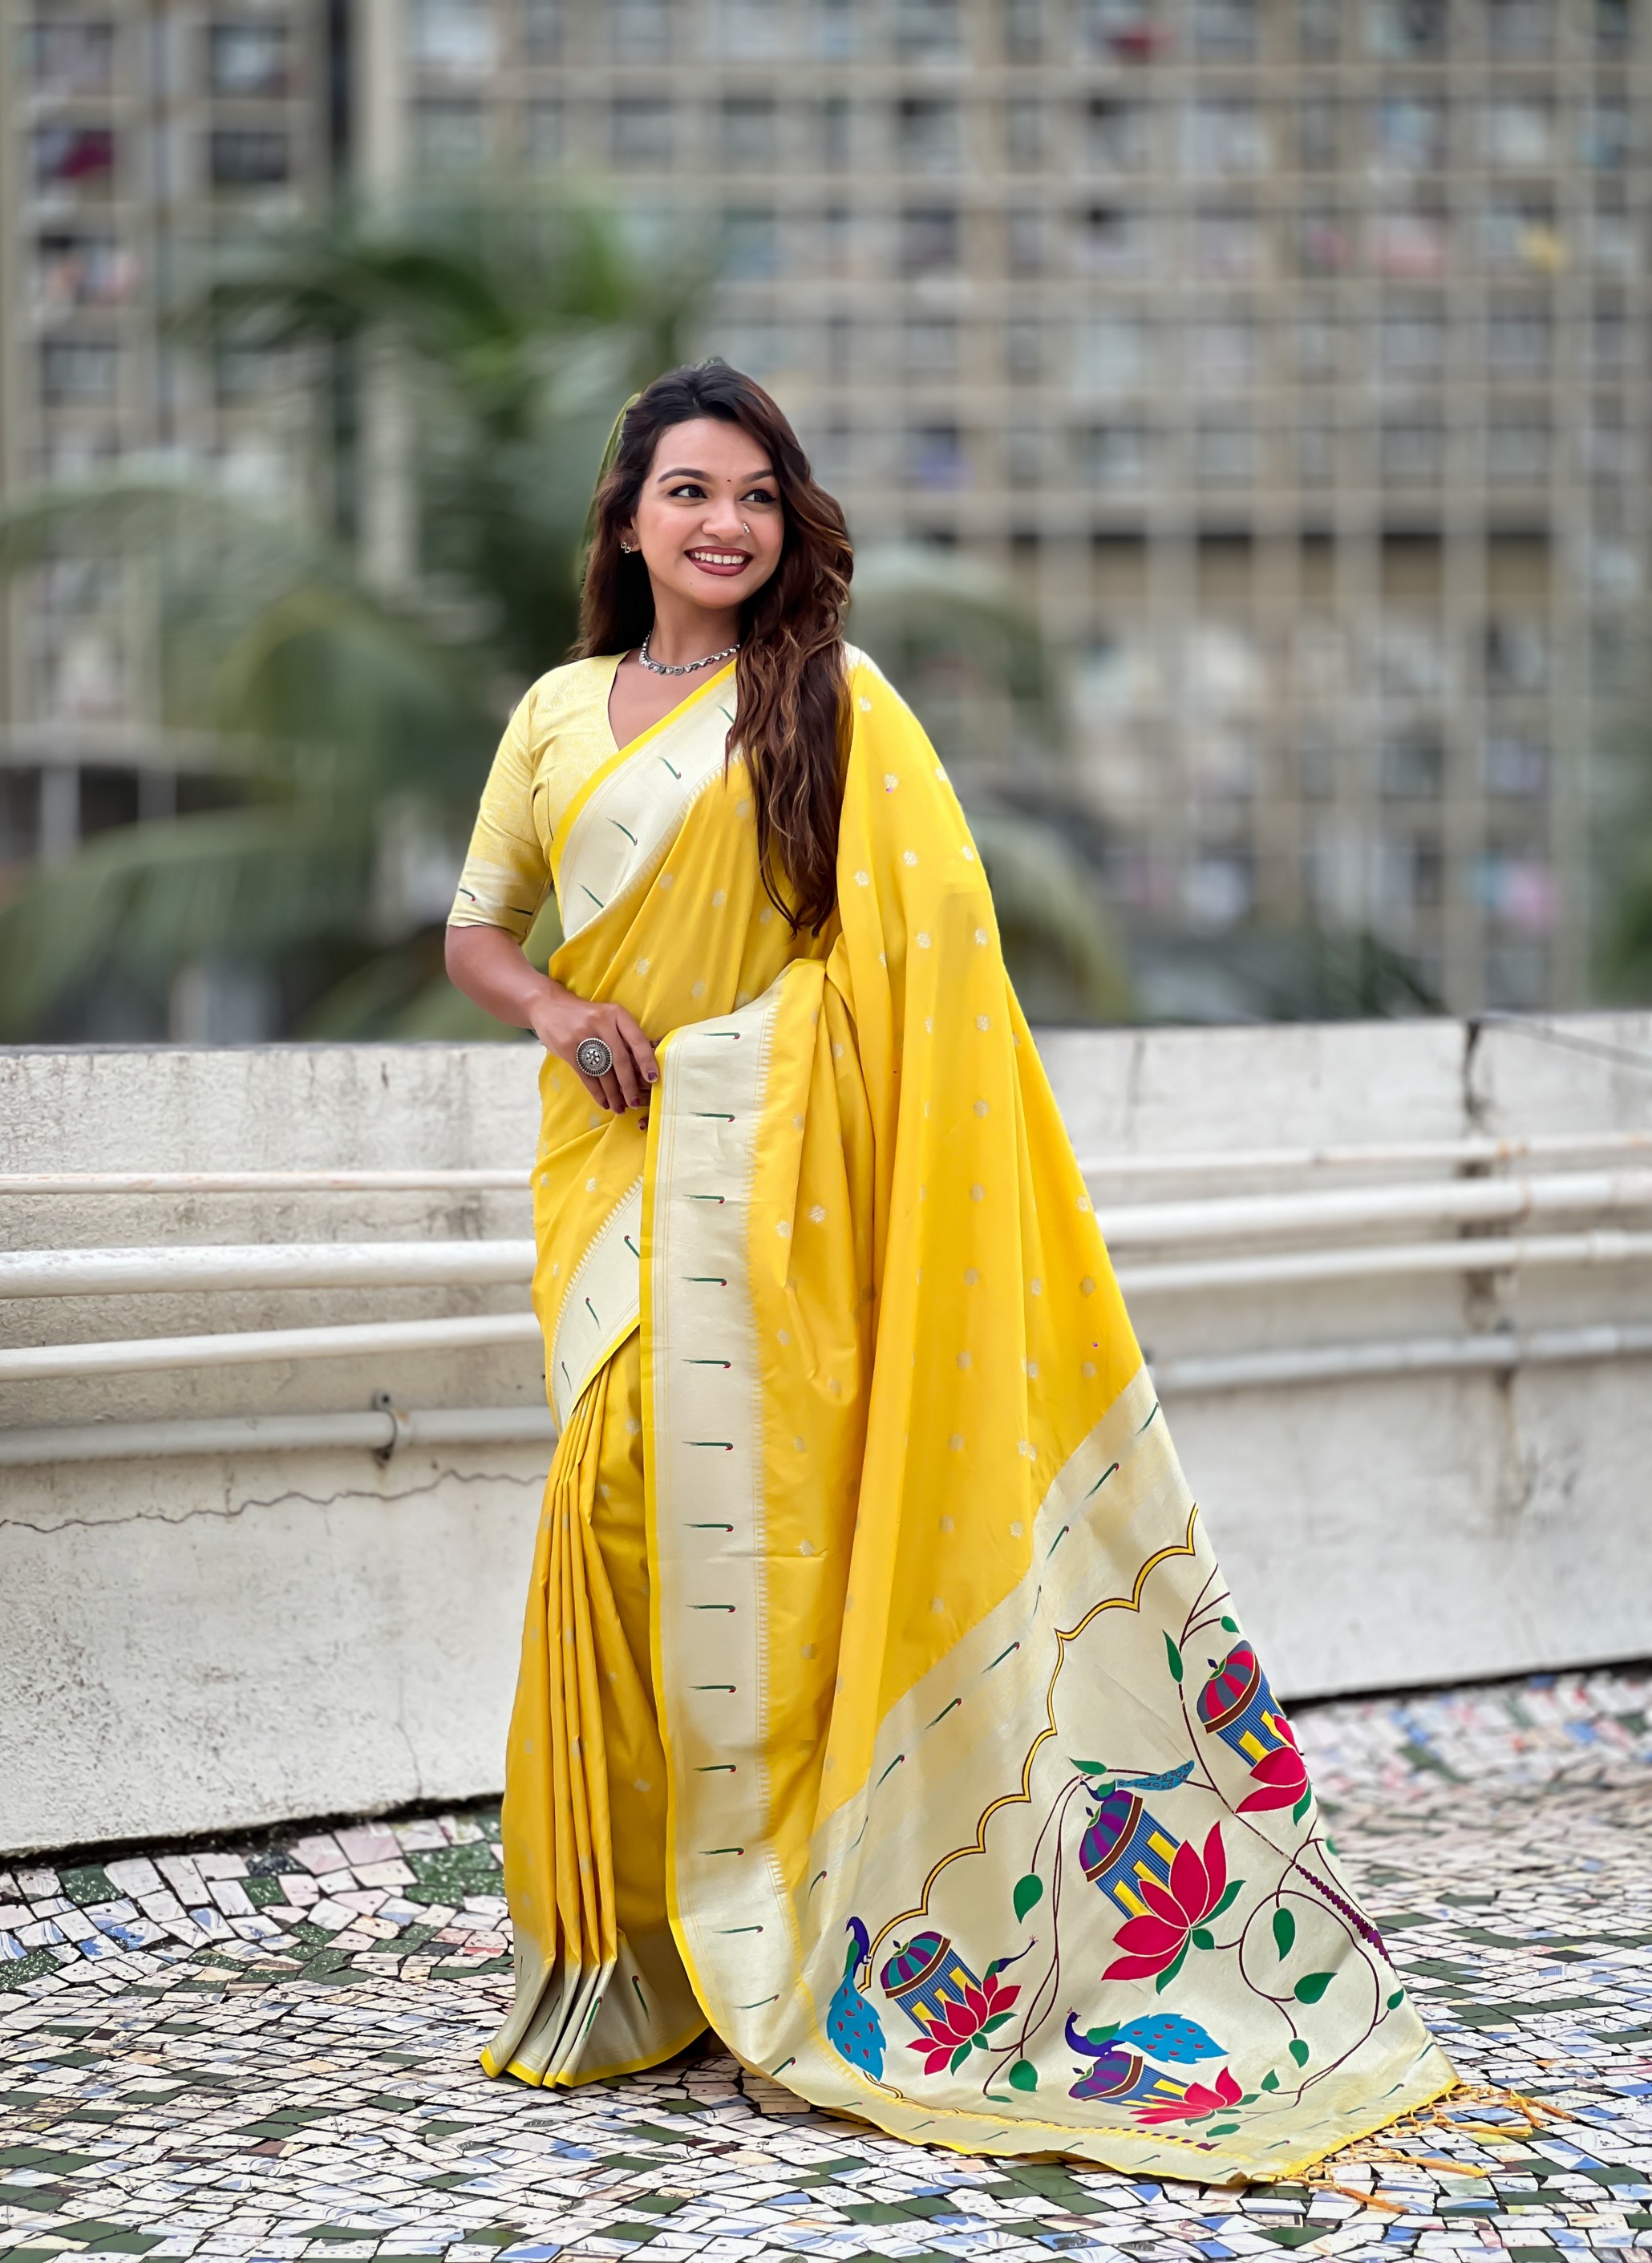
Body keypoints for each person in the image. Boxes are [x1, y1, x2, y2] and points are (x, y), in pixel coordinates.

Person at [444, 361, 1451, 2177]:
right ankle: (626, 1954)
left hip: (784, 1196)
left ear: (788, 519)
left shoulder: (833, 704)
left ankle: (799, 1937)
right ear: (627, 521)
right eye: (689, 492)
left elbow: (925, 963)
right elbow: (476, 932)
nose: (725, 523)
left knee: (784, 1544)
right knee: (607, 1515)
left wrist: (747, 1063)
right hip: (610, 1176)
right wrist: (559, 1008)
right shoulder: (555, 713)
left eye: (757, 494)